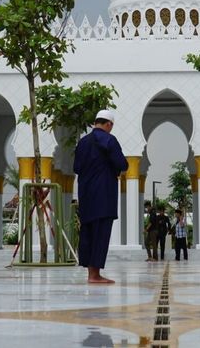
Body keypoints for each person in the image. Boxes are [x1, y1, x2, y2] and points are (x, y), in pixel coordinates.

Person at [73, 110, 128, 284]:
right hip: (104, 195)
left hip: (86, 194)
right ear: (109, 124)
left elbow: (76, 168)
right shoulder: (109, 140)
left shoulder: (82, 142)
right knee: (100, 234)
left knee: (87, 233)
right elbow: (122, 164)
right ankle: (95, 275)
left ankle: (91, 274)